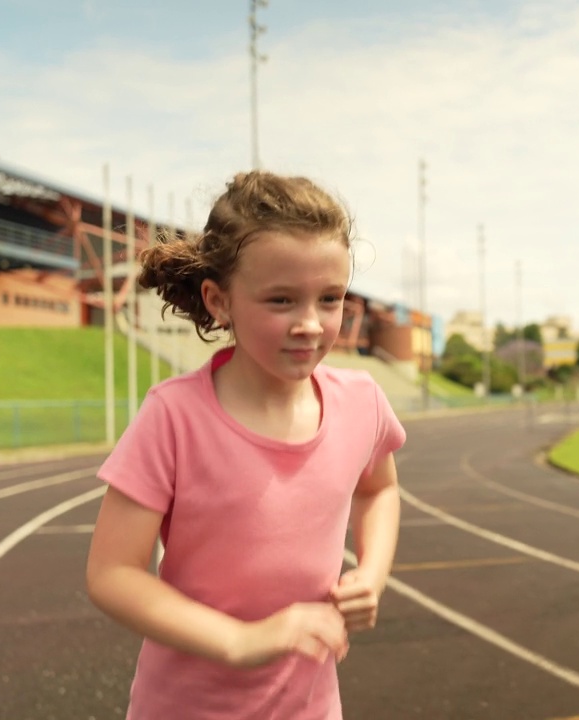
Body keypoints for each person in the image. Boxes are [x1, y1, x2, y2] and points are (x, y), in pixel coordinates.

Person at [86, 171, 406, 719]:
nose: (310, 324)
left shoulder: (362, 402)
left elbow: (379, 491)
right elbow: (112, 573)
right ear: (219, 300)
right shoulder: (175, 417)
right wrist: (242, 640)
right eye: (281, 300)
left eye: (330, 299)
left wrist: (370, 575)